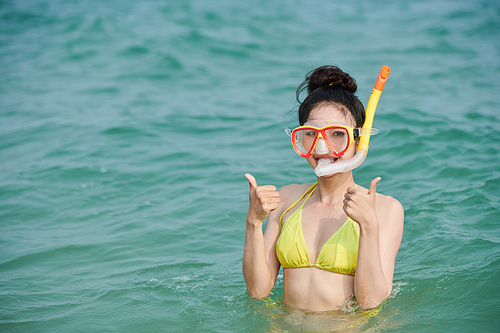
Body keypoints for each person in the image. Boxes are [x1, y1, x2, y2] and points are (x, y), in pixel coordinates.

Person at [243, 65, 404, 312]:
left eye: (337, 134)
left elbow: (370, 303)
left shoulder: (385, 209)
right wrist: (253, 222)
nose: (321, 147)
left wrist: (369, 226)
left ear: (359, 141)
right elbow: (258, 290)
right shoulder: (286, 199)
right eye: (311, 134)